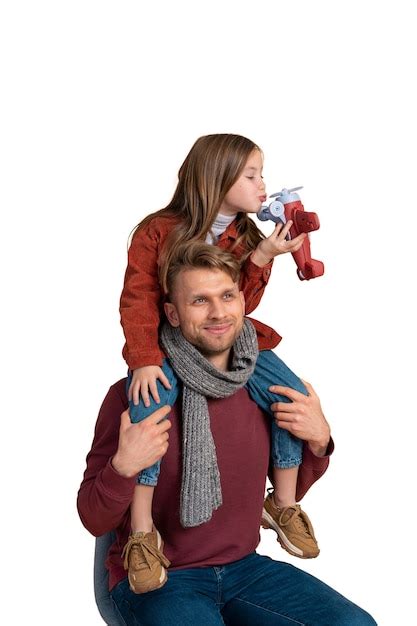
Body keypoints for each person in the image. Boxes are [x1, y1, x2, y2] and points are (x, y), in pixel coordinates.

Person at [78, 244, 376, 625]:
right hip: (162, 579)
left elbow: (269, 495)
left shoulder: (263, 388)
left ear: (242, 301)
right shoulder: (138, 395)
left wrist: (319, 441)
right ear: (172, 313)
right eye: (200, 300)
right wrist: (123, 467)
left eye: (227, 296)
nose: (218, 313)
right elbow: (93, 518)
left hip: (244, 570)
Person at [119, 134, 320, 592]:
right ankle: (143, 532)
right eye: (251, 175)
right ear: (217, 177)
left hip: (234, 342)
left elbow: (236, 309)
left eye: (262, 173)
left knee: (288, 393)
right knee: (151, 403)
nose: (262, 184)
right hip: (170, 342)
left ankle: (283, 502)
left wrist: (265, 255)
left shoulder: (247, 233)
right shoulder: (159, 230)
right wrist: (146, 360)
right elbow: (138, 298)